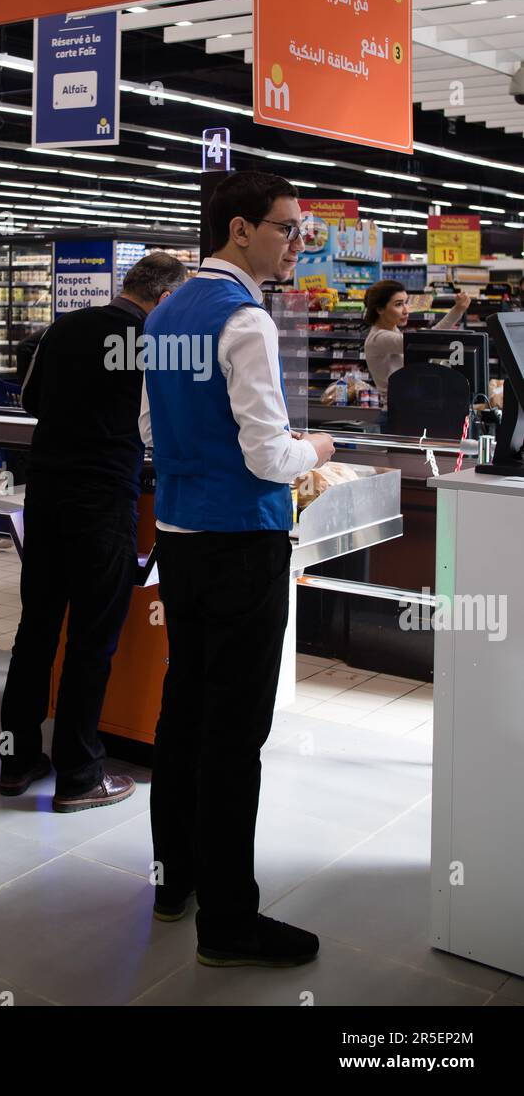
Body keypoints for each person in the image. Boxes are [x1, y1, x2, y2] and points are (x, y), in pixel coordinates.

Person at [139, 170, 335, 969]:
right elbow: (267, 456)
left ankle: (171, 883)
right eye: (286, 228)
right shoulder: (244, 318)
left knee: (183, 712)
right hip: (242, 546)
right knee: (234, 736)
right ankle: (229, 923)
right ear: (240, 230)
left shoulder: (166, 312)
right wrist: (315, 450)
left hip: (180, 542)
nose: (295, 242)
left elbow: (151, 428)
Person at [0, 251, 189, 811]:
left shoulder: (63, 326)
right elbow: (162, 426)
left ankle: (16, 760)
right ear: (166, 297)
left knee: (35, 630)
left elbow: (31, 399)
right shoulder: (151, 343)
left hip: (48, 494)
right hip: (103, 501)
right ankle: (80, 775)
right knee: (91, 638)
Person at [363, 280, 471, 402]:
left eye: (406, 303)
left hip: (408, 402)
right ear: (380, 309)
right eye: (398, 304)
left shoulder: (394, 330)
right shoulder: (378, 339)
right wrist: (457, 310)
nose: (406, 310)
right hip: (398, 409)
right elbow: (426, 339)